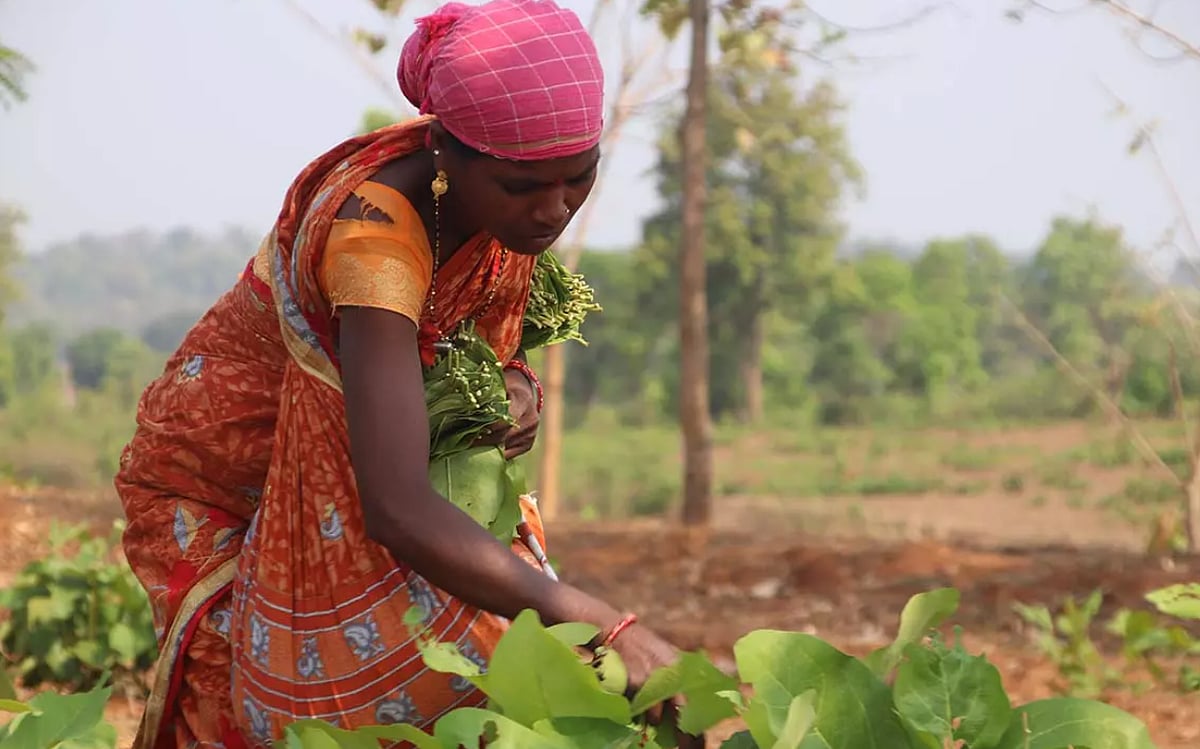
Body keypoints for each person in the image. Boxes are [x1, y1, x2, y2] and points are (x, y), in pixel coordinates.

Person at [115, 2, 690, 747]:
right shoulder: (374, 241)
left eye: (578, 179)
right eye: (523, 188)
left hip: (371, 467)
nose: (554, 212)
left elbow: (466, 337)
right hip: (232, 479)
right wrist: (602, 621)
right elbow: (396, 506)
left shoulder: (491, 207)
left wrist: (508, 384)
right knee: (294, 705)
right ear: (447, 151)